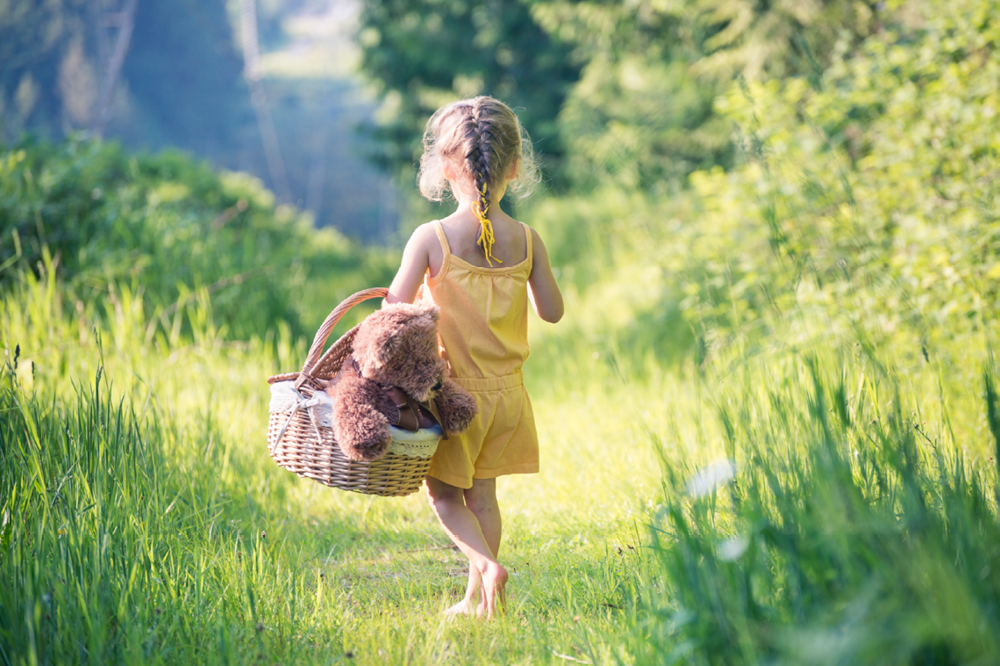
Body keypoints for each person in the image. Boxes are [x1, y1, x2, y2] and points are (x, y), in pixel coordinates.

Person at [385, 96, 564, 618]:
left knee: (445, 499)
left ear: (444, 167)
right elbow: (551, 311)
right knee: (483, 497)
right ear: (515, 166)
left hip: (454, 398)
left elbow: (393, 307)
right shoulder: (527, 239)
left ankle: (486, 571)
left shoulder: (431, 238)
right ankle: (477, 600)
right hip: (507, 397)